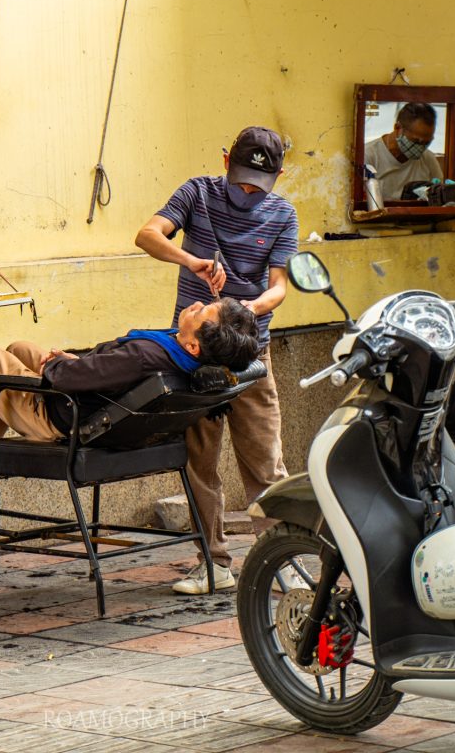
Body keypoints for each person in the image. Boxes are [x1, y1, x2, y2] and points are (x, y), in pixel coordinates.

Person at [135, 125, 298, 594]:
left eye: (258, 185)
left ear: (278, 175)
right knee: (199, 463)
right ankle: (213, 564)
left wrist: (251, 308)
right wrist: (190, 261)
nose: (247, 192)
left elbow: (279, 286)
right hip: (192, 355)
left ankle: (280, 563)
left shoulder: (283, 214)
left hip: (250, 354)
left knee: (265, 464)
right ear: (226, 160)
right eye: (241, 179)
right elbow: (147, 235)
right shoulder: (197, 193)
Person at [0, 297, 260, 492]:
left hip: (64, 417)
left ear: (195, 345)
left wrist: (59, 367)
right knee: (20, 349)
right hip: (106, 414)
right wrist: (78, 363)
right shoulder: (188, 363)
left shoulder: (147, 356)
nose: (195, 305)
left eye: (201, 311)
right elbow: (115, 375)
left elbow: (69, 380)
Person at [364, 102, 442, 202]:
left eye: (426, 143)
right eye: (416, 141)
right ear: (398, 128)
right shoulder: (368, 156)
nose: (420, 148)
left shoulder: (428, 159)